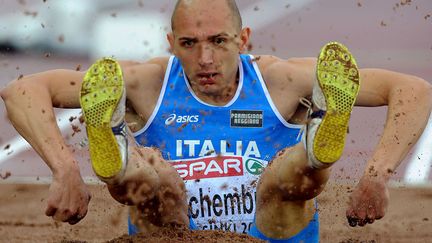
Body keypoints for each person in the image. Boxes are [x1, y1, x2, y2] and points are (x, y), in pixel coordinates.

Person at [1, 0, 431, 242]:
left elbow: (414, 90)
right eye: (189, 44)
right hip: (172, 233)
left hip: (273, 232)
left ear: (243, 40)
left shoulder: (279, 79)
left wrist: (376, 175)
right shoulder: (145, 81)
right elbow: (22, 90)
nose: (205, 59)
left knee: (283, 179)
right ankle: (114, 154)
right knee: (156, 182)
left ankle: (318, 145)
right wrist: (64, 168)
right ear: (171, 44)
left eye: (218, 42)